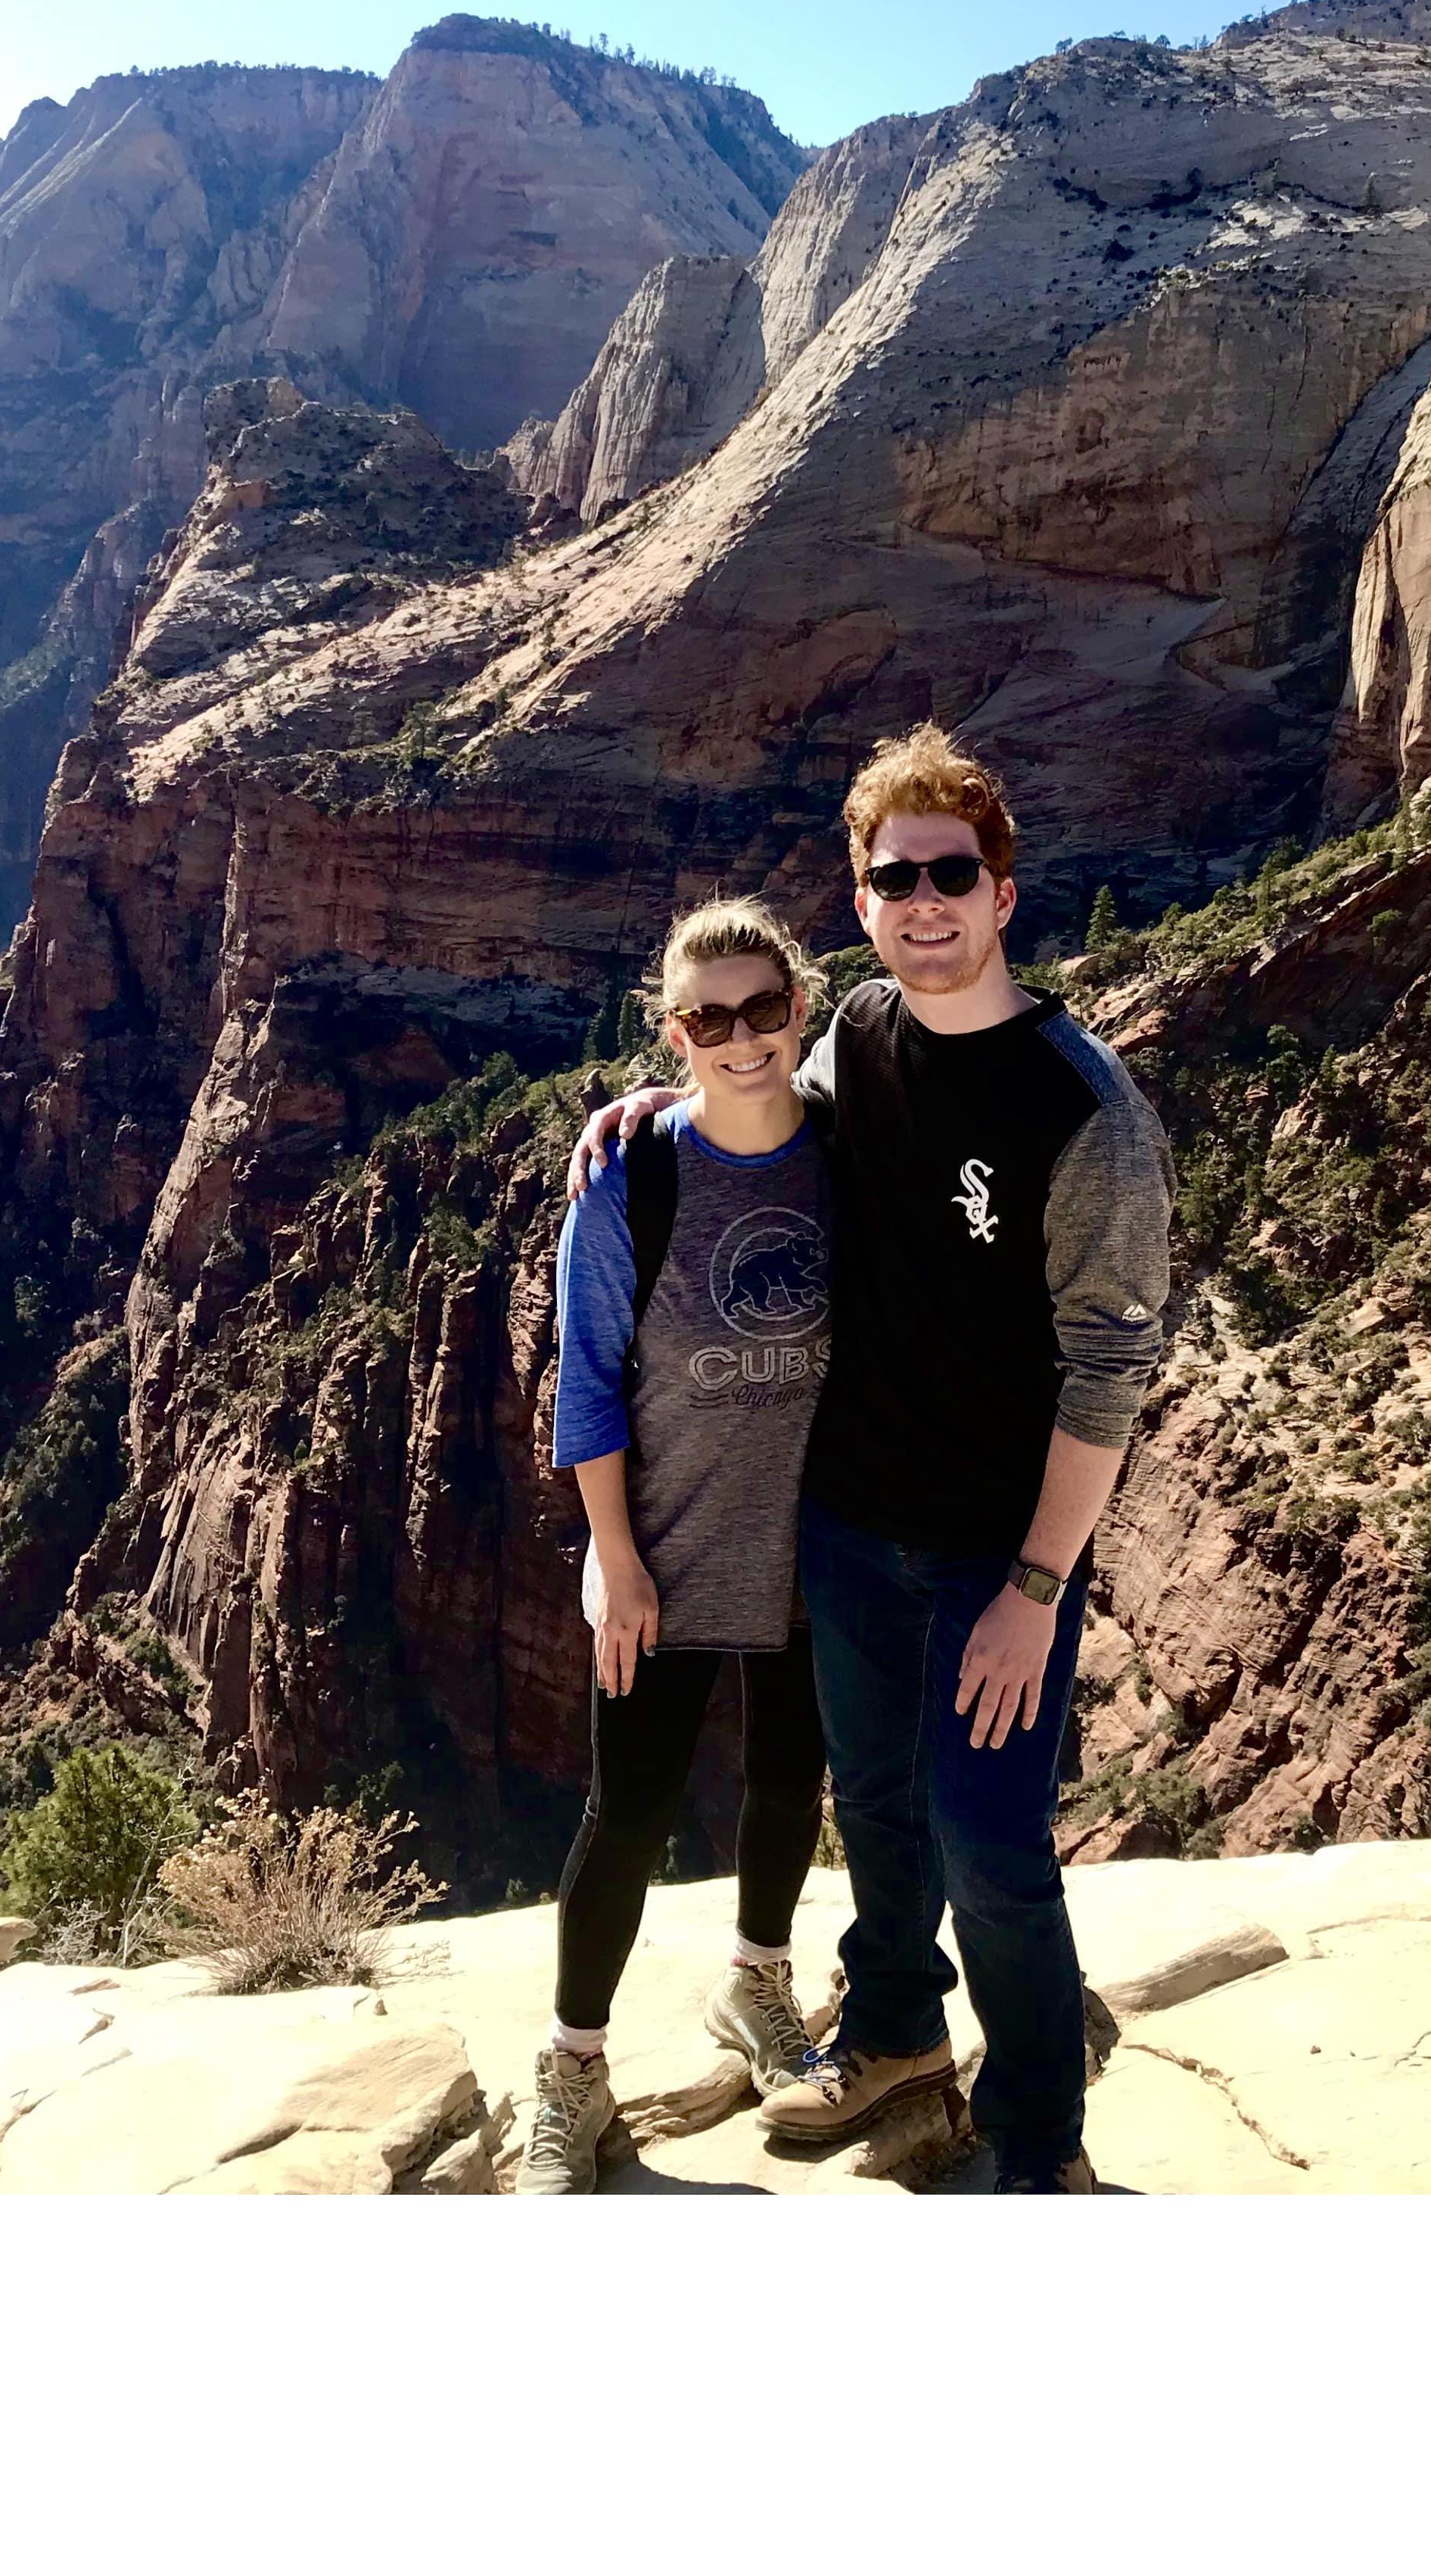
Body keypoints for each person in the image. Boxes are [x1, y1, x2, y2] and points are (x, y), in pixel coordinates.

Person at [574, 726, 1172, 2193]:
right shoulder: (858, 1037)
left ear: (1004, 892)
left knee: (994, 1852)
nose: (923, 900)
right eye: (893, 876)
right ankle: (899, 2031)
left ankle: (1040, 2146)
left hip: (991, 1554)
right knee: (884, 1815)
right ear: (861, 903)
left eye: (950, 873)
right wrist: (656, 1112)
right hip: (847, 1528)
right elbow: (759, 1101)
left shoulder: (1082, 1110)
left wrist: (1040, 1583)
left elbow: (1113, 1368)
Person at [516, 897, 839, 2197]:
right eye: (710, 1020)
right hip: (666, 1545)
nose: (741, 1038)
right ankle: (573, 2075)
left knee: (786, 1782)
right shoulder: (628, 1182)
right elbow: (588, 1387)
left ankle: (758, 1986)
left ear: (800, 1011)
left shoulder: (850, 1144)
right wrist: (619, 1559)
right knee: (629, 1812)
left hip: (820, 1540)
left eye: (764, 1010)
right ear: (675, 1029)